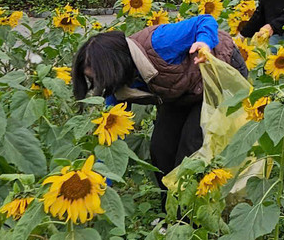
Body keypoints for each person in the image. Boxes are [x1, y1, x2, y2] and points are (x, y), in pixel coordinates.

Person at [72, 14, 246, 183]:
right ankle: (169, 200)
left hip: (218, 77)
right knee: (161, 148)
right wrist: (100, 184)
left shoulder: (159, 42)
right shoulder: (116, 86)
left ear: (114, 66)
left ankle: (190, 201)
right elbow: (111, 140)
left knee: (191, 146)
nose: (102, 84)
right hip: (180, 91)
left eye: (102, 77)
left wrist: (204, 42)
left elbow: (205, 20)